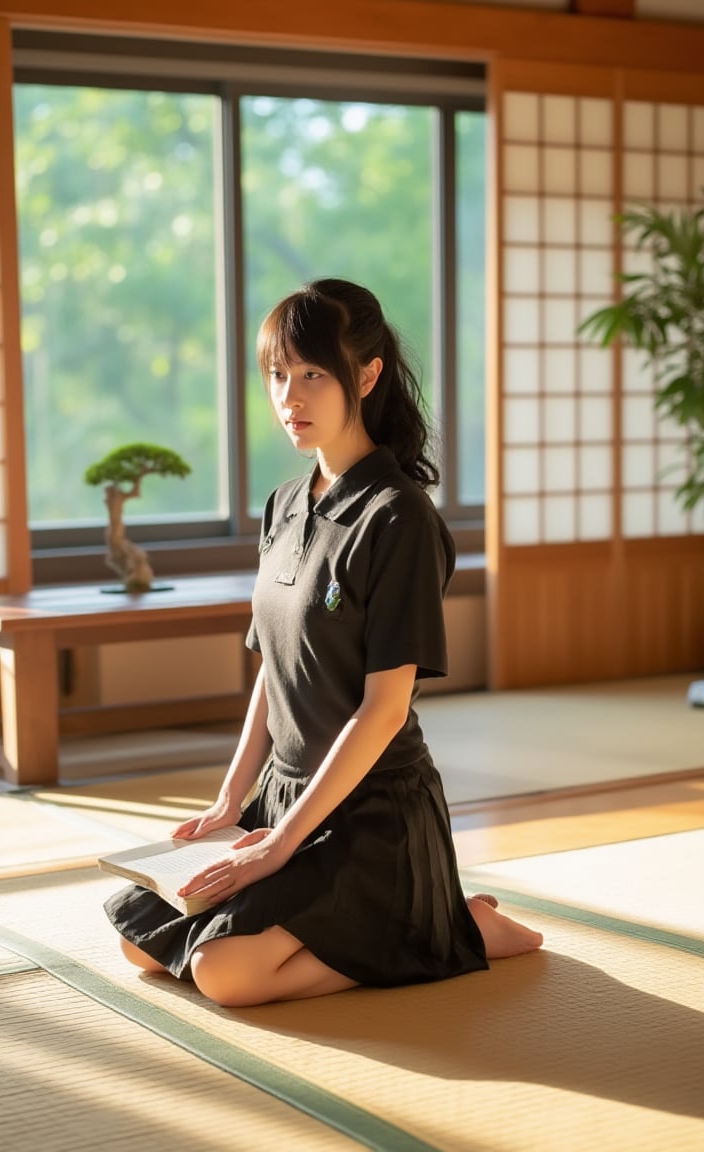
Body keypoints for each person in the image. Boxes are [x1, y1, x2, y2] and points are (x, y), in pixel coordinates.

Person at [104, 278, 543, 1007]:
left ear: (366, 376)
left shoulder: (398, 519)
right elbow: (273, 675)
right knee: (142, 940)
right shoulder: (283, 504)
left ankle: (445, 926)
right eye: (278, 374)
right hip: (283, 800)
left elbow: (382, 711)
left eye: (312, 374)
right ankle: (432, 921)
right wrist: (228, 804)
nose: (290, 397)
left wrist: (278, 848)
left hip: (370, 816)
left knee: (227, 976)